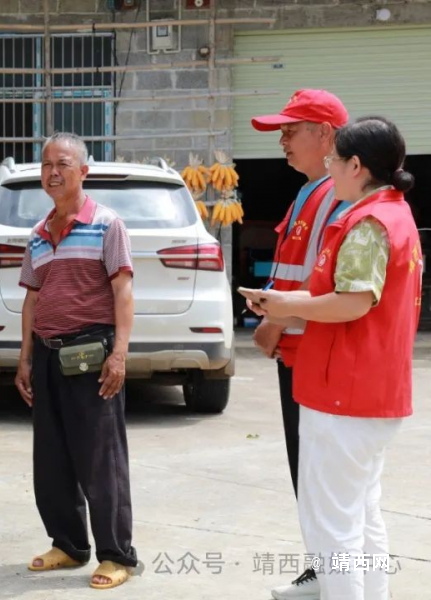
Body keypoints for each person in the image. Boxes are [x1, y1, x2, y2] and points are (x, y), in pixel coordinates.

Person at [248, 116, 419, 600]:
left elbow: (354, 301)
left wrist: (282, 306)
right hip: (370, 393)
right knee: (362, 516)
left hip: (344, 393)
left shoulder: (367, 224)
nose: (330, 169)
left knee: (334, 529)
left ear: (357, 165)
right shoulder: (392, 213)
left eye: (334, 160)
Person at [15, 132, 139, 590]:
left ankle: (116, 555)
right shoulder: (38, 235)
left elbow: (122, 291)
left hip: (92, 355)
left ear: (83, 171)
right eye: (46, 164)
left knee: (100, 460)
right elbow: (32, 300)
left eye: (63, 163)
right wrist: (25, 358)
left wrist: (120, 353)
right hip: (47, 356)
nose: (52, 172)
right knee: (52, 458)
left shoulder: (107, 224)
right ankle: (68, 544)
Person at [250, 89, 349, 600]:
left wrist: (275, 322)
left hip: (312, 353)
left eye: (292, 129)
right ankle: (322, 571)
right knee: (306, 471)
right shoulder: (311, 192)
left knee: (322, 477)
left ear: (326, 134)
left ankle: (334, 578)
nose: (283, 139)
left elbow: (321, 280)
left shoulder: (335, 194)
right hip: (296, 351)